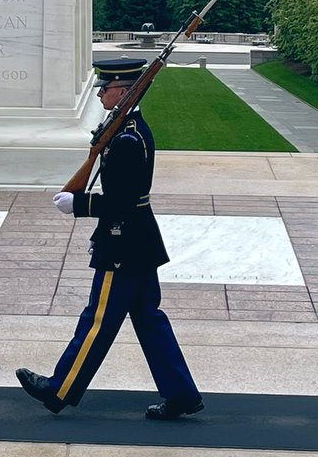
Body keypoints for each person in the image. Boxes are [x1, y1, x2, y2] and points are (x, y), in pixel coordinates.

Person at [16, 56, 204, 421]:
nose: (100, 92)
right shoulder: (126, 130)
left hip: (124, 246)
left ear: (124, 91)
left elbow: (120, 200)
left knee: (97, 320)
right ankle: (181, 394)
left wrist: (79, 204)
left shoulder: (128, 139)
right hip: (137, 241)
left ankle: (60, 389)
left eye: (106, 87)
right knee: (149, 319)